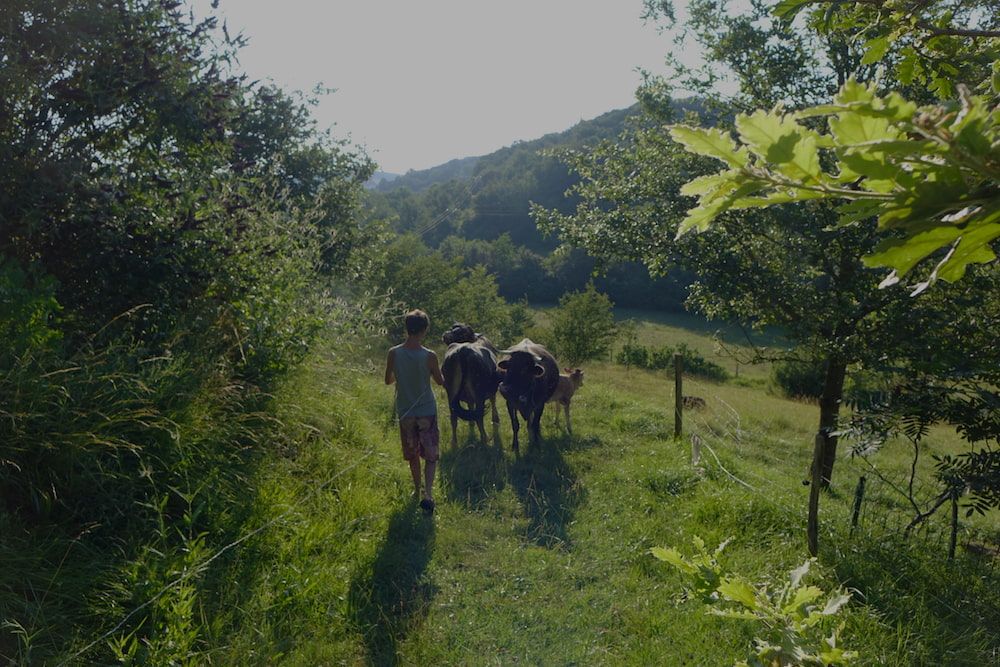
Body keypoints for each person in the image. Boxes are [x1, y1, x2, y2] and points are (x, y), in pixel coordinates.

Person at [384, 309, 445, 514]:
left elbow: (388, 380)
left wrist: (402, 376)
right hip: (427, 409)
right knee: (430, 454)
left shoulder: (394, 352)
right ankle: (428, 494)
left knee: (413, 454)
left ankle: (417, 489)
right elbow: (439, 381)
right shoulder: (429, 356)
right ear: (425, 330)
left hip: (405, 410)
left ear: (407, 328)